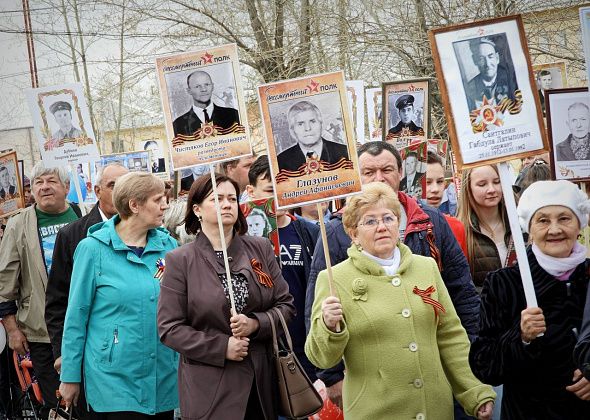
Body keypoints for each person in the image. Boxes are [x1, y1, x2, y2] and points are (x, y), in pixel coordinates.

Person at [305, 141, 480, 415]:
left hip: (434, 393)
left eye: (386, 169)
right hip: (375, 398)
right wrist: (331, 375)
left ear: (401, 172)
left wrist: (467, 368)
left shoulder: (432, 221)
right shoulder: (335, 233)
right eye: (369, 172)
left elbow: (461, 297)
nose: (379, 178)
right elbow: (318, 312)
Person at [157, 173, 295, 419]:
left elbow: (285, 305)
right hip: (210, 388)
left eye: (232, 198)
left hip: (261, 384)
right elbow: (169, 328)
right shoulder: (180, 260)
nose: (227, 204)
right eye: (217, 199)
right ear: (197, 209)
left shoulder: (260, 247)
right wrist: (221, 347)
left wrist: (255, 323)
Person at [58, 172, 178, 418]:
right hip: (113, 380)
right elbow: (76, 317)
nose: (165, 205)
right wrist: (70, 376)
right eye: (157, 200)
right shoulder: (92, 249)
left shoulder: (169, 247)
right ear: (134, 205)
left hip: (162, 375)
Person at [470, 180, 590, 419]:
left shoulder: (587, 278)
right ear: (529, 228)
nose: (554, 229)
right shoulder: (505, 283)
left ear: (580, 223)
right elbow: (485, 365)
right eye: (543, 220)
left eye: (564, 218)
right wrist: (521, 337)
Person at [45, 163, 129, 417]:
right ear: (96, 190)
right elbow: (59, 301)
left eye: (126, 186)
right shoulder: (73, 235)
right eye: (113, 185)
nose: (120, 192)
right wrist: (63, 354)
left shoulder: (150, 234)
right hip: (93, 354)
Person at [0, 162, 82, 419]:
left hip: (87, 328)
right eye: (39, 182)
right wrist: (12, 330)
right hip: (42, 332)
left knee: (88, 399)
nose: (44, 187)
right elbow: (4, 282)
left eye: (51, 181)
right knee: (56, 401)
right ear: (32, 190)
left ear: (66, 187)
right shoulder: (17, 224)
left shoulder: (85, 216)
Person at [246, 155, 319, 383]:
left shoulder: (308, 232)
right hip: (260, 345)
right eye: (269, 191)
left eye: (282, 189)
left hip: (303, 346)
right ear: (251, 191)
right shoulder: (239, 236)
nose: (277, 198)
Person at [457, 165, 514, 291]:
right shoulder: (460, 231)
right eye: (482, 184)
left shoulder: (520, 222)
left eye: (497, 182)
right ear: (469, 188)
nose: (492, 189)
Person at [277, 100, 349, 172]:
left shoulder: (345, 152)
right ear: (292, 129)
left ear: (321, 124)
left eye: (312, 121)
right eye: (300, 124)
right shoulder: (280, 162)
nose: (308, 128)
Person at [172, 70, 240, 137]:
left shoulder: (232, 115)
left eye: (207, 84)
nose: (204, 89)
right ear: (189, 91)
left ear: (212, 86)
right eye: (197, 86)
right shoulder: (178, 124)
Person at [424, 151, 468, 257]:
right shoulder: (396, 228)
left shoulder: (456, 227)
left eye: (439, 182)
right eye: (427, 182)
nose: (435, 189)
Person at [465, 37, 517, 112]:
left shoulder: (512, 78)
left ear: (497, 58)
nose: (488, 64)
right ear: (474, 60)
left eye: (490, 56)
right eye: (481, 58)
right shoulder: (469, 89)